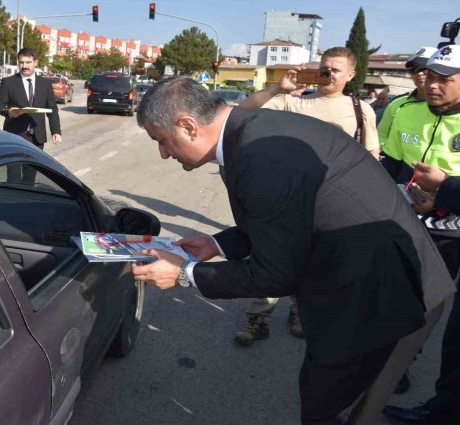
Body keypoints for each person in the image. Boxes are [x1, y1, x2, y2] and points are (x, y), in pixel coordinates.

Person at [131, 76, 455, 425]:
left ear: (188, 126)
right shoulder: (254, 131)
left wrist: (183, 273)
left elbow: (274, 274)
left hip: (384, 303)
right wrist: (217, 243)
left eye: (161, 141)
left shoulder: (261, 155)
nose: (163, 153)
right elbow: (286, 220)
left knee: (336, 413)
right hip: (359, 288)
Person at [233, 47, 380, 345]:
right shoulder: (293, 103)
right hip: (286, 198)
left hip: (333, 201)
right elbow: (241, 113)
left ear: (351, 75)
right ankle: (258, 319)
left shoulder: (359, 109)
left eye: (335, 70)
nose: (327, 74)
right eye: (323, 67)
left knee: (316, 261)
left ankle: (300, 310)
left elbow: (371, 157)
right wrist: (278, 87)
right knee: (271, 256)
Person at [381, 45, 460, 425]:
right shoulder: (405, 111)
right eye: (430, 76)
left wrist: (444, 193)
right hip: (413, 227)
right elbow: (391, 166)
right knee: (409, 304)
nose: (432, 85)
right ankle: (400, 368)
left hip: (454, 230)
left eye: (445, 79)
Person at [0, 47, 61, 184]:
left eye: (28, 62)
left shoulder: (45, 84)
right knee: (13, 175)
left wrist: (56, 131)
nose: (24, 66)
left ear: (35, 62)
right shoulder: (9, 82)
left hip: (37, 136)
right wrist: (9, 112)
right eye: (21, 62)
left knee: (30, 174)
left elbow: (52, 108)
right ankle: (12, 200)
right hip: (14, 134)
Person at [377, 47, 437, 148]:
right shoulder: (396, 103)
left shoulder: (450, 106)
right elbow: (381, 135)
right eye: (414, 70)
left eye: (423, 68)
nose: (419, 73)